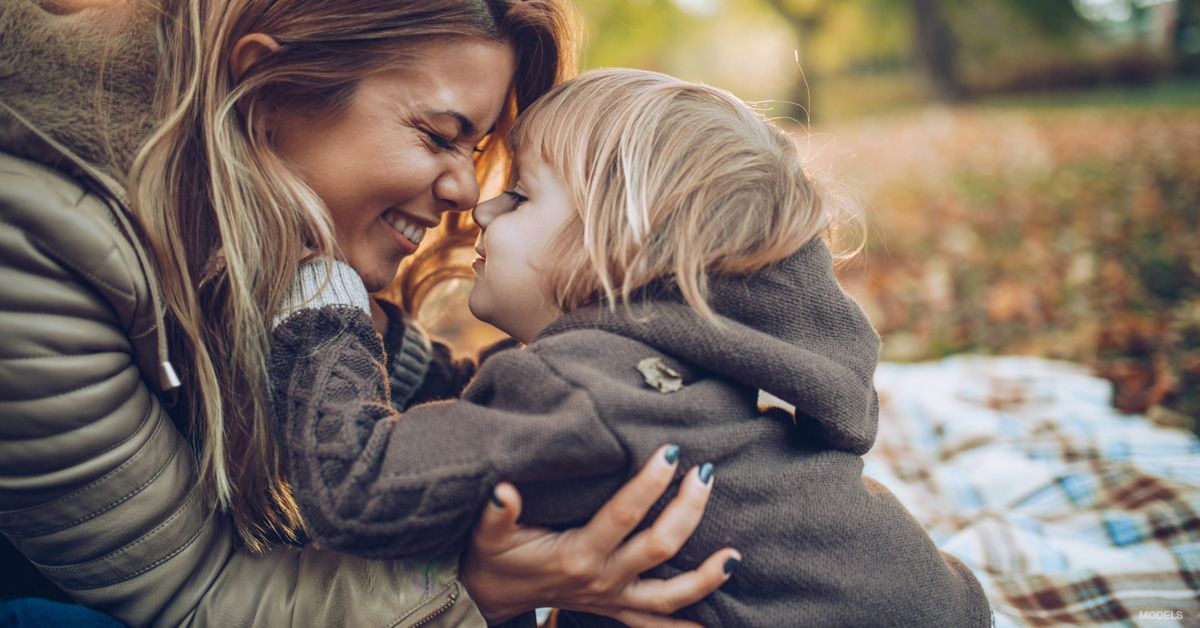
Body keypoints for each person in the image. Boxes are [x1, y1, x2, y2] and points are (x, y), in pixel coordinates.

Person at [0, 2, 731, 626]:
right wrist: (472, 587)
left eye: (477, 149)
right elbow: (191, 597)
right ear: (266, 88)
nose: (468, 190)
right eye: (440, 135)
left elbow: (437, 396)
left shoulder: (275, 242)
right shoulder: (34, 240)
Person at [267, 69, 995, 626]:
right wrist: (393, 350)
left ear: (613, 253)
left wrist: (324, 309)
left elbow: (356, 489)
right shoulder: (649, 381)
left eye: (519, 196)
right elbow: (482, 420)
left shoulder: (586, 397)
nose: (482, 208)